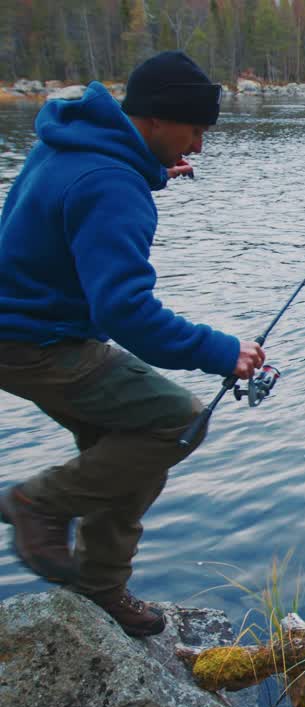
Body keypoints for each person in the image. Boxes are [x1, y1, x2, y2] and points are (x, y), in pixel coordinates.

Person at [0, 51, 265, 637]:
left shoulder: (76, 145)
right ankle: (37, 504)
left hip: (21, 330)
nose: (197, 145)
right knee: (175, 421)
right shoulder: (111, 183)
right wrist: (223, 351)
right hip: (34, 342)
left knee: (127, 449)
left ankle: (99, 589)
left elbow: (72, 205)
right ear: (155, 119)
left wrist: (147, 175)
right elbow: (125, 312)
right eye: (194, 130)